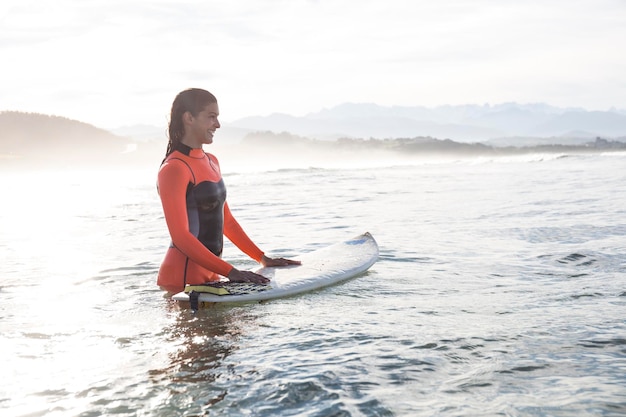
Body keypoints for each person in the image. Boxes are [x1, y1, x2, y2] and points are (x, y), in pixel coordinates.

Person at [157, 88, 300, 293]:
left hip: (212, 276)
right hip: (182, 282)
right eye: (211, 117)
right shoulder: (174, 168)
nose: (217, 124)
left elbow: (227, 222)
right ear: (189, 118)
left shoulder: (211, 161)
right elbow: (180, 236)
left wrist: (262, 258)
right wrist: (231, 272)